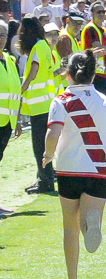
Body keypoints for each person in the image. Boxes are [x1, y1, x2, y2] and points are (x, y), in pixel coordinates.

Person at [43, 51, 106, 279]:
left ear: (68, 73)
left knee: (69, 227)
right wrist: (103, 155)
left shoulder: (60, 101)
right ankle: (92, 223)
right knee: (88, 221)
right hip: (97, 171)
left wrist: (48, 156)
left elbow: (52, 135)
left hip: (68, 169)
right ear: (93, 73)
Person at [16, 15, 58, 194]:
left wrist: (20, 91)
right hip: (44, 103)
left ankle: (45, 181)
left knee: (39, 146)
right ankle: (43, 178)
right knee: (42, 145)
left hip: (38, 104)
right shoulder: (44, 46)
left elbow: (33, 72)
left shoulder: (38, 48)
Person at [0, 20, 21, 215]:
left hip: (7, 122)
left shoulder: (9, 59)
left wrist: (18, 119)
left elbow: (15, 91)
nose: (0, 39)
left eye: (3, 35)